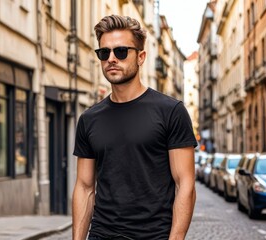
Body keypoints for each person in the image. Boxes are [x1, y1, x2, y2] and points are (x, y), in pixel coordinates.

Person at [72, 15, 198, 240]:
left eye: (121, 51)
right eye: (104, 53)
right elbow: (84, 187)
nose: (111, 58)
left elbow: (185, 184)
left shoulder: (171, 111)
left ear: (141, 57)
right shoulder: (89, 119)